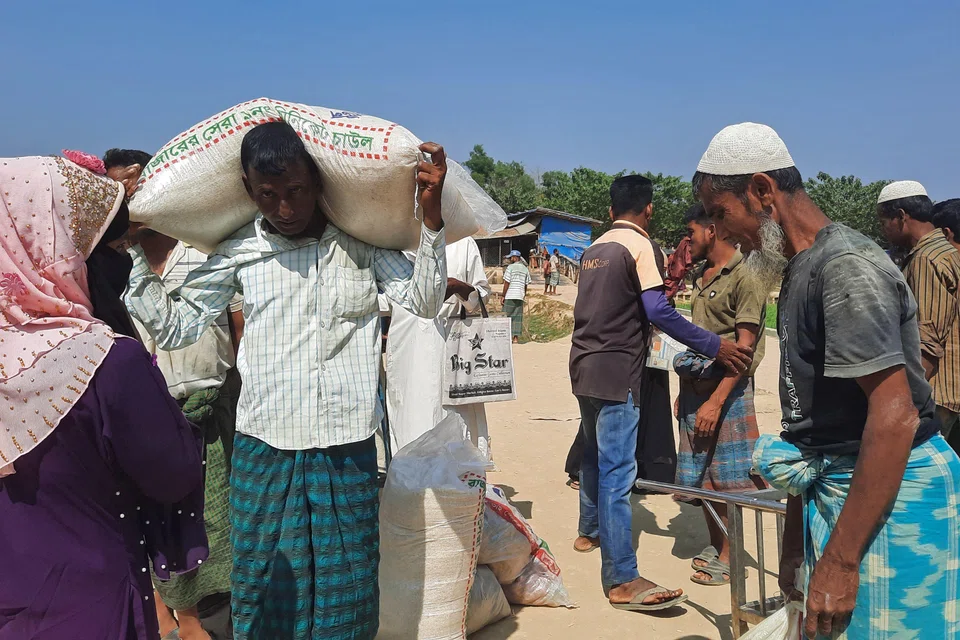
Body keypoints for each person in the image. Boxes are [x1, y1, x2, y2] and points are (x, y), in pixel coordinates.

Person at [125, 121, 449, 640]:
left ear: (319, 183)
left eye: (296, 191)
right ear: (251, 194)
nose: (285, 208)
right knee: (263, 579)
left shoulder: (359, 245)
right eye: (268, 195)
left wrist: (430, 222)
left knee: (349, 580)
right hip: (265, 448)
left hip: (345, 446)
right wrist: (137, 254)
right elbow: (175, 325)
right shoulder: (238, 253)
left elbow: (425, 301)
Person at [693, 122, 959, 639]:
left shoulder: (845, 268)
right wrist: (796, 543)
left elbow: (895, 415)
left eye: (722, 213)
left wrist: (839, 564)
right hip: (845, 495)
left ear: (762, 192)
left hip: (892, 501)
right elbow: (810, 422)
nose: (722, 232)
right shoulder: (802, 267)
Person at [0, 155, 207, 640]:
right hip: (94, 608)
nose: (121, 262)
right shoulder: (106, 363)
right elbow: (171, 474)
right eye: (110, 247)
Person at [569, 174, 753, 612]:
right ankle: (622, 579)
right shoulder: (640, 246)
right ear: (648, 210)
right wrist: (714, 345)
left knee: (594, 454)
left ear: (611, 209)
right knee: (618, 472)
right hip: (617, 373)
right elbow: (656, 309)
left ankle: (588, 531)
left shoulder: (593, 249)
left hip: (583, 367)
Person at [108, 148, 242, 640]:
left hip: (218, 413)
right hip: (158, 421)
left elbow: (238, 329)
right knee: (168, 530)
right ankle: (181, 620)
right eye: (116, 192)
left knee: (223, 525)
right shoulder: (117, 271)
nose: (127, 202)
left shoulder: (206, 254)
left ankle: (216, 621)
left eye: (134, 188)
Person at [675, 203, 767, 586]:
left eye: (691, 233)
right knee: (705, 477)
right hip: (699, 391)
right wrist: (690, 394)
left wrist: (714, 401)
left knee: (730, 480)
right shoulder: (704, 275)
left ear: (711, 230)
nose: (687, 241)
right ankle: (719, 546)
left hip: (727, 394)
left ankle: (731, 560)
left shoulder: (746, 277)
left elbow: (744, 350)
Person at [382, 236, 493, 463]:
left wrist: (458, 287)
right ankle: (412, 489)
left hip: (454, 348)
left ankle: (457, 492)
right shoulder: (393, 244)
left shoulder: (463, 244)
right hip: (408, 348)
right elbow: (379, 300)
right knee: (410, 421)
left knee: (456, 428)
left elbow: (481, 295)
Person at [877, 182, 960, 451]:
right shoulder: (949, 254)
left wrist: (908, 395)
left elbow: (927, 337)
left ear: (901, 216)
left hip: (937, 393)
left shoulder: (927, 258)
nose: (883, 229)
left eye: (883, 221)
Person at [501, 249, 530, 343]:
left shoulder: (510, 268)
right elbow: (526, 284)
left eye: (511, 257)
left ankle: (505, 336)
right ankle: (515, 338)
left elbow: (506, 283)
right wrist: (523, 294)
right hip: (520, 295)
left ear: (515, 257)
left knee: (506, 316)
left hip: (510, 295)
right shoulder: (525, 269)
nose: (510, 259)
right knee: (517, 317)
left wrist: (503, 295)